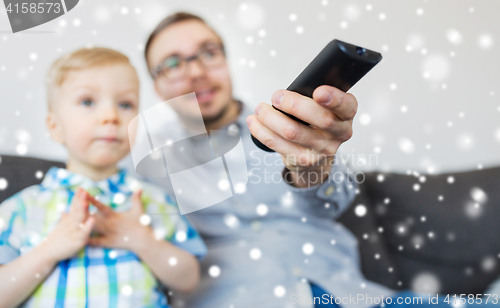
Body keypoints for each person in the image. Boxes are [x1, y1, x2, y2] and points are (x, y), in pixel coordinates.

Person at [119, 12, 391, 308]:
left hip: (351, 296)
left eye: (208, 53)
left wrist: (313, 169)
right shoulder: (143, 162)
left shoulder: (291, 126)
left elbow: (332, 205)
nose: (196, 71)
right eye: (172, 64)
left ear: (226, 62)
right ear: (157, 88)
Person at [0, 47, 206, 308]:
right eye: (87, 102)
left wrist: (141, 240)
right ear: (55, 127)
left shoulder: (152, 202)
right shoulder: (23, 208)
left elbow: (188, 279)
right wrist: (49, 250)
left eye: (125, 104)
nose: (111, 116)